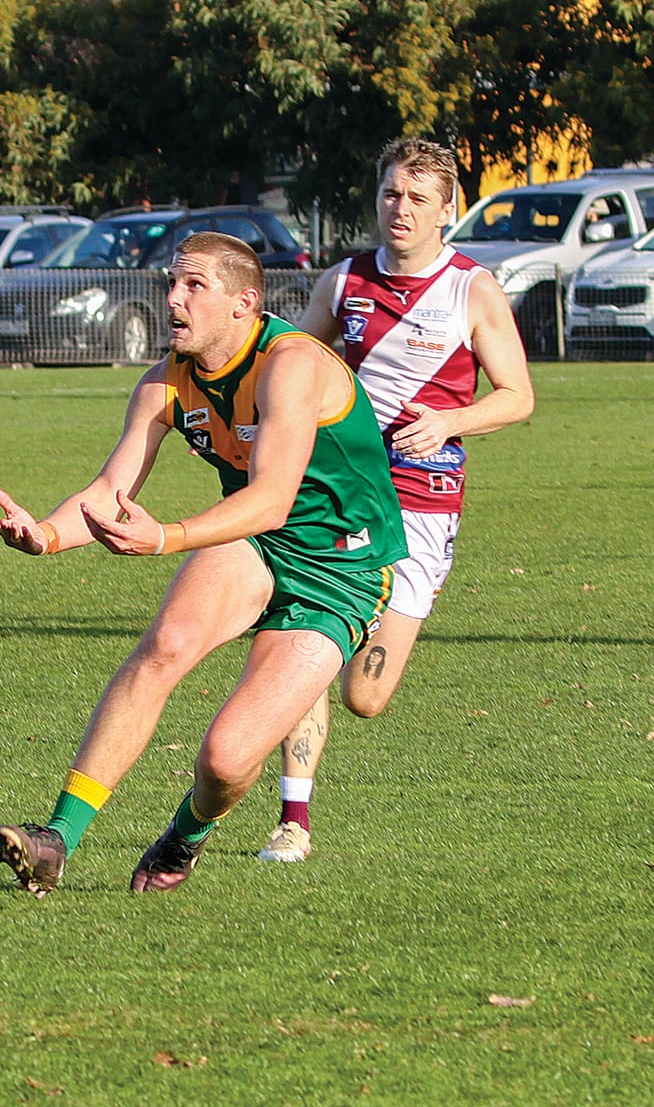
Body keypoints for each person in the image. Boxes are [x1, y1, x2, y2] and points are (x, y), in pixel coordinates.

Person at [0, 231, 408, 895]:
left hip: (342, 571)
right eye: (172, 283)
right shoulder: (165, 381)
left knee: (224, 758)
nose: (173, 299)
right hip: (259, 543)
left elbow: (271, 498)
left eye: (193, 285)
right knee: (165, 645)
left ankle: (186, 835)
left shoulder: (290, 363)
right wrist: (43, 533)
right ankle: (55, 839)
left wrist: (167, 537)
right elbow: (107, 494)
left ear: (244, 303)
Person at [256, 138, 535, 864]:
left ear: (448, 209)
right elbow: (288, 363)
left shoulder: (472, 288)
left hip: (425, 505)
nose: (399, 209)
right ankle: (293, 820)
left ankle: (369, 621)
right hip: (342, 495)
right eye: (390, 194)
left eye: (416, 198)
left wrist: (450, 419)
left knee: (366, 696)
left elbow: (519, 396)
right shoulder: (343, 282)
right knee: (308, 648)